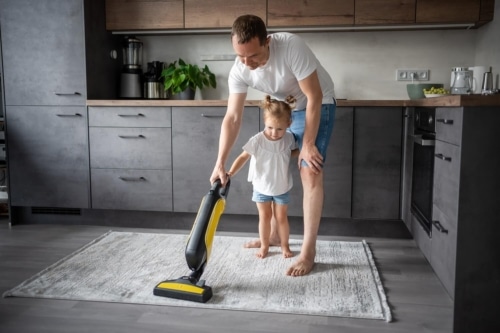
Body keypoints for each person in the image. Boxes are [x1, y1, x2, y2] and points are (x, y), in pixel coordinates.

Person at [210, 14, 336, 276]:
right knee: (276, 161)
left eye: (252, 56)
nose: (247, 63)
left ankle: (308, 252)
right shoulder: (240, 68)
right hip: (285, 109)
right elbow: (232, 117)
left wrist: (308, 144)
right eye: (241, 56)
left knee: (309, 168)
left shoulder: (291, 47)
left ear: (267, 41)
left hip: (316, 104)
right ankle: (276, 237)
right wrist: (220, 162)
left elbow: (314, 96)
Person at [228, 95, 299, 259]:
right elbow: (243, 157)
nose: (274, 133)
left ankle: (285, 245)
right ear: (265, 122)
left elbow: (289, 153)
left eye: (280, 129)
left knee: (281, 217)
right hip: (262, 186)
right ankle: (265, 245)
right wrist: (230, 172)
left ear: (288, 125)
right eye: (270, 128)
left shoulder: (289, 138)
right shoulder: (258, 140)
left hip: (281, 186)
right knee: (265, 217)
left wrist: (303, 151)